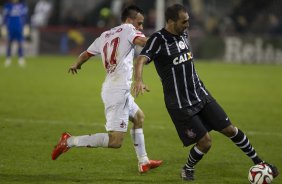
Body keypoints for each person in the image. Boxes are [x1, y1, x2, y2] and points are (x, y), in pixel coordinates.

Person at [133, 4, 279, 181]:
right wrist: (139, 79)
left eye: (188, 20)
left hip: (200, 93)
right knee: (205, 142)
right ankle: (187, 168)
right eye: (184, 21)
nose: (187, 24)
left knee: (230, 129)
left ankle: (260, 163)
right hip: (181, 104)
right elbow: (141, 59)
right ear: (171, 21)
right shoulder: (158, 39)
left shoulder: (184, 34)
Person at [51, 5, 162, 173]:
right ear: (129, 20)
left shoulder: (105, 35)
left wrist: (76, 64)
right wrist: (165, 38)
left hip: (115, 87)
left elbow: (86, 54)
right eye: (139, 23)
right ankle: (69, 141)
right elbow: (144, 42)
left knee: (139, 117)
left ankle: (143, 161)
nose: (140, 27)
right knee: (115, 142)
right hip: (117, 91)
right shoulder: (129, 29)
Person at [2, 0, 28, 67]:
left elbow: (25, 16)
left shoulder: (22, 6)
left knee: (20, 42)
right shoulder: (8, 6)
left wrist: (25, 25)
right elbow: (5, 17)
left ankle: (21, 58)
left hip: (19, 27)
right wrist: (4, 25)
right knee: (9, 42)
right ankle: (8, 58)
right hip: (10, 26)